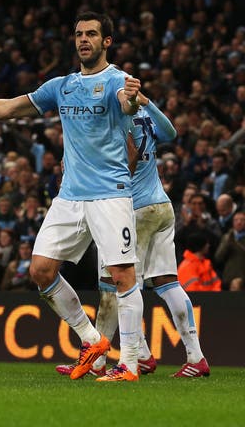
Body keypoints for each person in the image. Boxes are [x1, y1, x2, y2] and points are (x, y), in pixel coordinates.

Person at [0, 11, 144, 381]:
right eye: (79, 33)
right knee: (40, 270)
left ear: (106, 42)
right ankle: (92, 340)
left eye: (92, 34)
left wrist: (133, 100)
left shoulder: (116, 81)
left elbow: (128, 105)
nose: (84, 39)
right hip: (70, 196)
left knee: (123, 275)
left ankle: (127, 364)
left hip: (110, 194)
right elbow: (10, 107)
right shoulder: (61, 86)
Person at [57, 90, 211, 378]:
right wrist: (147, 102)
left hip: (132, 209)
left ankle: (100, 362)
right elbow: (171, 132)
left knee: (114, 284)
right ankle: (195, 357)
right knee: (166, 281)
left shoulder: (116, 118)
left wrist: (105, 185)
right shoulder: (143, 115)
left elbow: (128, 154)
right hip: (161, 205)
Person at [215, 210, 245, 291]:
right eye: (236, 220)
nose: (239, 222)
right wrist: (228, 242)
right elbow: (218, 258)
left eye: (242, 220)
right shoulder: (227, 237)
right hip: (229, 278)